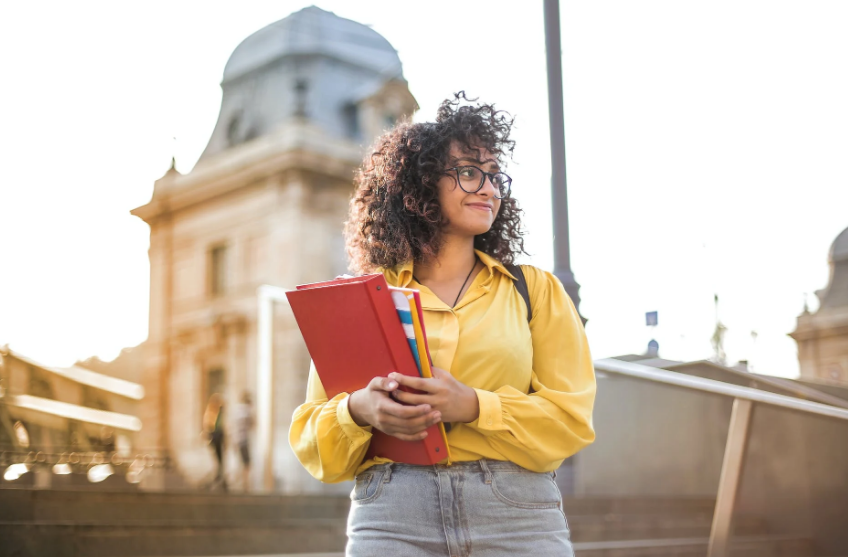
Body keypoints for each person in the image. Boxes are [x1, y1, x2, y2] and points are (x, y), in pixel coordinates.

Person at [289, 93, 596, 556]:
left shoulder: (535, 290)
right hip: (391, 512)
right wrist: (359, 410)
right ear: (420, 183)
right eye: (470, 171)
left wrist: (474, 405)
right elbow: (314, 439)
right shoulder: (365, 299)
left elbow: (571, 421)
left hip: (515, 514)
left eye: (495, 176)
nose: (490, 188)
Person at [202, 393, 227, 491]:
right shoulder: (211, 413)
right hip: (215, 436)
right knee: (217, 458)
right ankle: (218, 476)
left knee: (220, 459)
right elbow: (208, 426)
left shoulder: (218, 413)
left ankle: (219, 476)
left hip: (218, 436)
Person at [234, 391, 254, 492]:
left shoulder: (237, 410)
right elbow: (252, 424)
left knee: (241, 462)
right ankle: (245, 484)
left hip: (237, 439)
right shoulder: (246, 411)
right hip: (244, 440)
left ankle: (242, 482)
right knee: (246, 463)